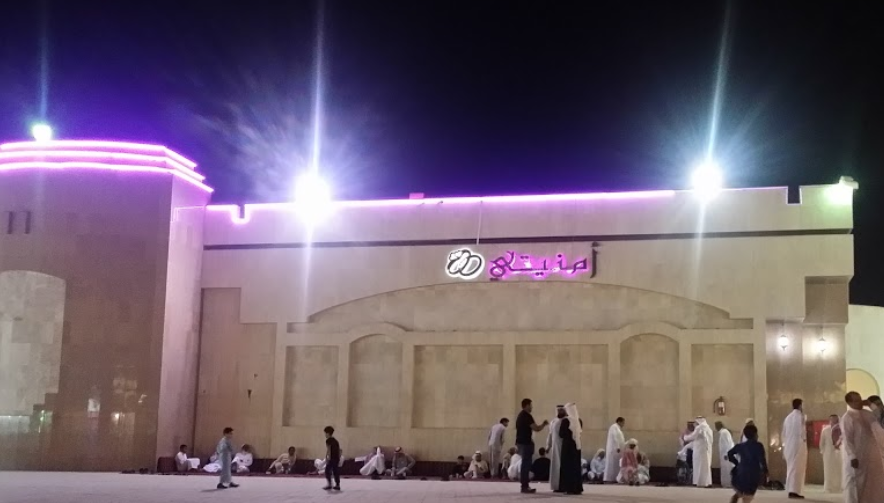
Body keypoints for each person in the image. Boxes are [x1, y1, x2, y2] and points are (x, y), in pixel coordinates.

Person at [842, 391, 884, 503]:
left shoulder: (868, 414)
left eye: (860, 399)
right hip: (858, 457)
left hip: (873, 455)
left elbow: (880, 424)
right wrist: (852, 456)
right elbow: (847, 439)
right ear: (849, 403)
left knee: (875, 483)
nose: (860, 402)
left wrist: (872, 405)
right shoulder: (847, 417)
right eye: (856, 401)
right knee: (857, 485)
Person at [727, 424, 768, 503]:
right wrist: (765, 471)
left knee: (742, 487)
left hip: (741, 473)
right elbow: (762, 460)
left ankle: (739, 493)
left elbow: (729, 453)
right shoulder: (759, 446)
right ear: (755, 434)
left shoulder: (740, 446)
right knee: (748, 495)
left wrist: (736, 463)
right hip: (754, 474)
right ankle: (742, 496)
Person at [515, 398, 549, 494]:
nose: (532, 407)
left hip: (520, 442)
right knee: (526, 465)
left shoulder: (520, 415)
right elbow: (536, 428)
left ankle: (524, 485)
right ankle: (525, 486)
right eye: (530, 405)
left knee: (524, 464)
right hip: (526, 443)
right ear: (526, 405)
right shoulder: (527, 416)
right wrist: (544, 424)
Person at [781, 398, 807, 499]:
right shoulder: (800, 417)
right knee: (797, 468)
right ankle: (794, 491)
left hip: (788, 446)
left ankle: (790, 489)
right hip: (798, 446)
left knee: (791, 468)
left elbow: (783, 433)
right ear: (800, 405)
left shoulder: (787, 418)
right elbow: (802, 433)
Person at [558, 403, 583, 495]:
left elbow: (561, 434)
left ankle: (569, 488)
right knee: (576, 467)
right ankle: (577, 488)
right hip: (576, 446)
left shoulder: (566, 421)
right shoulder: (579, 420)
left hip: (567, 447)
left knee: (567, 467)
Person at [683, 416, 713, 488]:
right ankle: (707, 482)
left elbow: (693, 436)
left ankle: (698, 482)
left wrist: (685, 437)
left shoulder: (699, 428)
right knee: (706, 466)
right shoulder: (709, 428)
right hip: (706, 451)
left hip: (699, 451)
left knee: (698, 466)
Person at [819, 414, 843, 493]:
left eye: (835, 419)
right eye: (832, 419)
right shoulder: (825, 430)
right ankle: (828, 487)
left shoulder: (841, 429)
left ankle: (838, 487)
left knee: (838, 469)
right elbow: (821, 442)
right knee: (828, 470)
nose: (833, 421)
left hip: (839, 452)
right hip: (828, 453)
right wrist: (823, 451)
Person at [546, 405, 566, 491]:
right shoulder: (553, 422)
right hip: (555, 448)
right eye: (558, 410)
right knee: (555, 467)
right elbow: (550, 435)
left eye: (561, 410)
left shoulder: (566, 421)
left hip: (564, 447)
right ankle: (556, 486)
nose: (559, 412)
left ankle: (564, 486)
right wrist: (548, 446)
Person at [603, 417, 626, 482]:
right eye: (623, 422)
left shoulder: (618, 428)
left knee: (616, 464)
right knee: (612, 464)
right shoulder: (614, 427)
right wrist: (617, 447)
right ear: (619, 421)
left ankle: (615, 477)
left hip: (617, 450)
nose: (623, 424)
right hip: (614, 449)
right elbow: (615, 437)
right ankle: (609, 478)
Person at [715, 421, 735, 488]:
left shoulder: (724, 432)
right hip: (725, 454)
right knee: (725, 469)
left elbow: (727, 444)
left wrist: (727, 453)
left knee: (726, 469)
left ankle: (727, 484)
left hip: (726, 455)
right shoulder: (724, 432)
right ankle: (726, 483)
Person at [322, 426, 341, 491]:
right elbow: (339, 450)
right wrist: (339, 458)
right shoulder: (336, 441)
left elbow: (329, 449)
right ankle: (337, 485)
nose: (325, 435)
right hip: (336, 458)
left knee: (327, 471)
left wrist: (327, 458)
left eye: (325, 433)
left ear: (328, 433)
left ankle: (329, 484)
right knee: (335, 471)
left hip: (331, 458)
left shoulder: (328, 440)